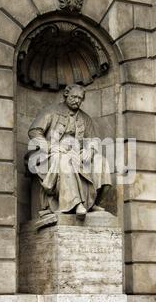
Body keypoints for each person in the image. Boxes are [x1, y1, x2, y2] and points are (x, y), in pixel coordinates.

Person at [27, 84, 112, 220]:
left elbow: (93, 140)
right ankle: (76, 203)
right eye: (74, 97)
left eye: (80, 98)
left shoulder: (85, 118)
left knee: (101, 162)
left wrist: (89, 150)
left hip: (77, 153)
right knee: (64, 160)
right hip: (52, 153)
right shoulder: (51, 111)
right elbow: (34, 132)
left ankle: (92, 202)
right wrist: (51, 146)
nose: (77, 100)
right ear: (66, 95)